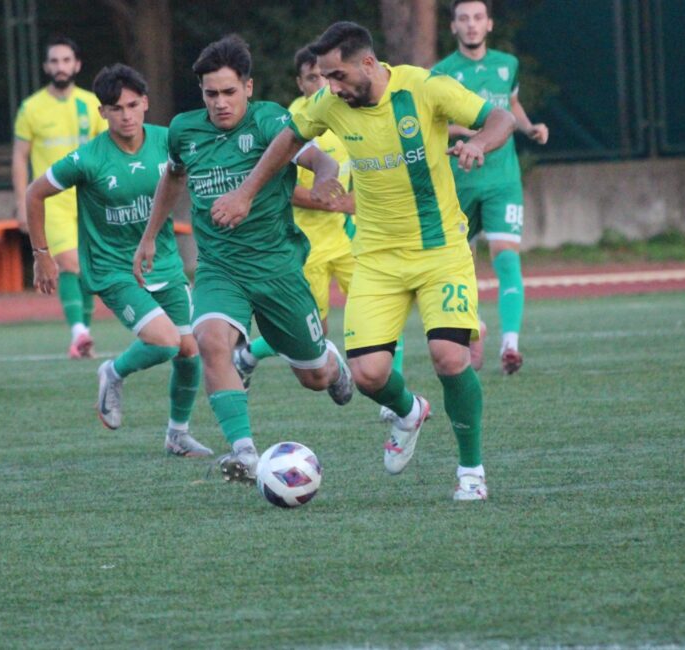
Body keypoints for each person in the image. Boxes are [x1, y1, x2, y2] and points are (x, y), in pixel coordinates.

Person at [211, 22, 515, 501]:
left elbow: (499, 119)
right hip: (375, 255)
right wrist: (246, 194)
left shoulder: (425, 87)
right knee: (369, 375)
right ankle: (410, 411)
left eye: (337, 75)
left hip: (440, 251)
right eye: (324, 78)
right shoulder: (330, 103)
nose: (330, 86)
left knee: (449, 357)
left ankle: (471, 471)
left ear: (368, 64)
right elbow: (287, 141)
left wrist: (479, 143)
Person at [132, 35, 354, 485]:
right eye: (210, 94)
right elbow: (172, 179)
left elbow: (321, 161)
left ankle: (331, 363)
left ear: (248, 88)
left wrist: (328, 182)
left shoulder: (272, 121)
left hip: (277, 270)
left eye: (229, 92)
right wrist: (150, 237)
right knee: (211, 340)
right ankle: (246, 453)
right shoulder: (184, 131)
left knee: (312, 377)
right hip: (219, 267)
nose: (219, 103)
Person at [26, 63, 212, 458]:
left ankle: (177, 435)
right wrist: (42, 255)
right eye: (116, 108)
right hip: (114, 269)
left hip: (164, 264)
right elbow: (34, 193)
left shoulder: (169, 141)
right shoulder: (88, 159)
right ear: (102, 113)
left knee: (189, 351)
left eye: (132, 105)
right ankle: (112, 371)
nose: (126, 115)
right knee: (165, 343)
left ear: (145, 103)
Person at [230, 45, 362, 387]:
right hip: (307, 243)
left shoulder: (350, 110)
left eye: (326, 76)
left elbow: (366, 166)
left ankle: (392, 396)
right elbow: (282, 188)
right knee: (309, 329)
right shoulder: (289, 123)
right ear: (300, 83)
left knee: (375, 312)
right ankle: (247, 355)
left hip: (351, 237)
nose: (320, 84)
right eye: (312, 78)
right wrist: (327, 202)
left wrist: (357, 201)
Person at [433, 0, 549, 374]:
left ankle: (510, 345)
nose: (471, 25)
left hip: (502, 179)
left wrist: (529, 127)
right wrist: (465, 132)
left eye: (477, 18)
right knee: (460, 266)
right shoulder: (441, 74)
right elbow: (433, 125)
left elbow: (511, 106)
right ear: (453, 27)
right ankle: (475, 327)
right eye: (463, 19)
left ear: (489, 24)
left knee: (506, 256)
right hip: (461, 180)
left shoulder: (507, 64)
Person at [13, 35, 108, 359]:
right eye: (54, 61)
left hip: (88, 199)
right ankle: (79, 332)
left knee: (85, 268)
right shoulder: (31, 108)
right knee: (69, 262)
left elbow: (106, 150)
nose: (60, 66)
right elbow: (19, 158)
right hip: (51, 202)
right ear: (45, 67)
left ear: (77, 65)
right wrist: (21, 205)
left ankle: (81, 336)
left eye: (66, 60)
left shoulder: (92, 103)